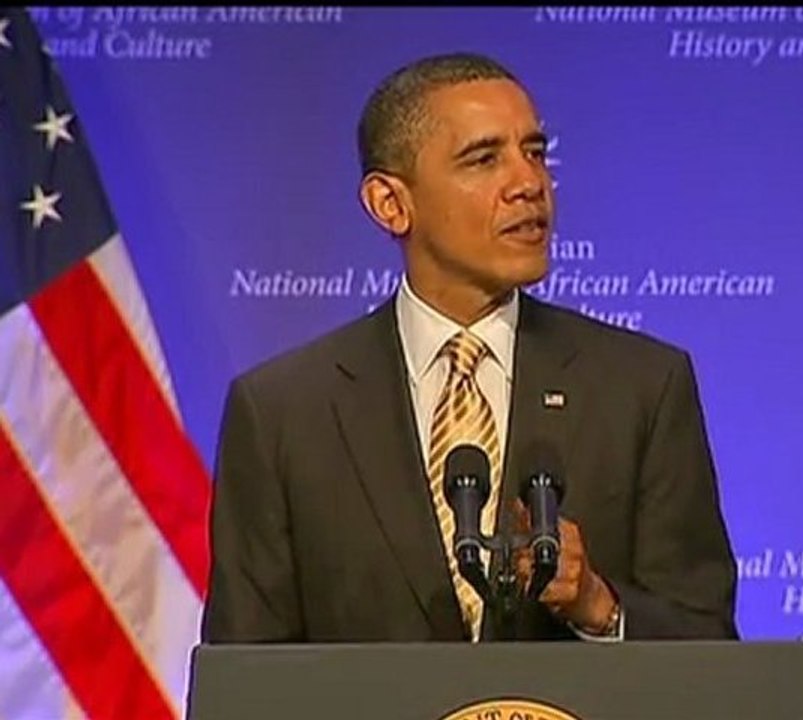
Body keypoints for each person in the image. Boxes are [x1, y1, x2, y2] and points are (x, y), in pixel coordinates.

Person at [201, 52, 739, 644]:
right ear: (391, 203)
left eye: (534, 152)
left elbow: (706, 648)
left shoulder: (642, 387)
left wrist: (598, 606)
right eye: (484, 160)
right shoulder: (283, 413)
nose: (529, 184)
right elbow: (247, 675)